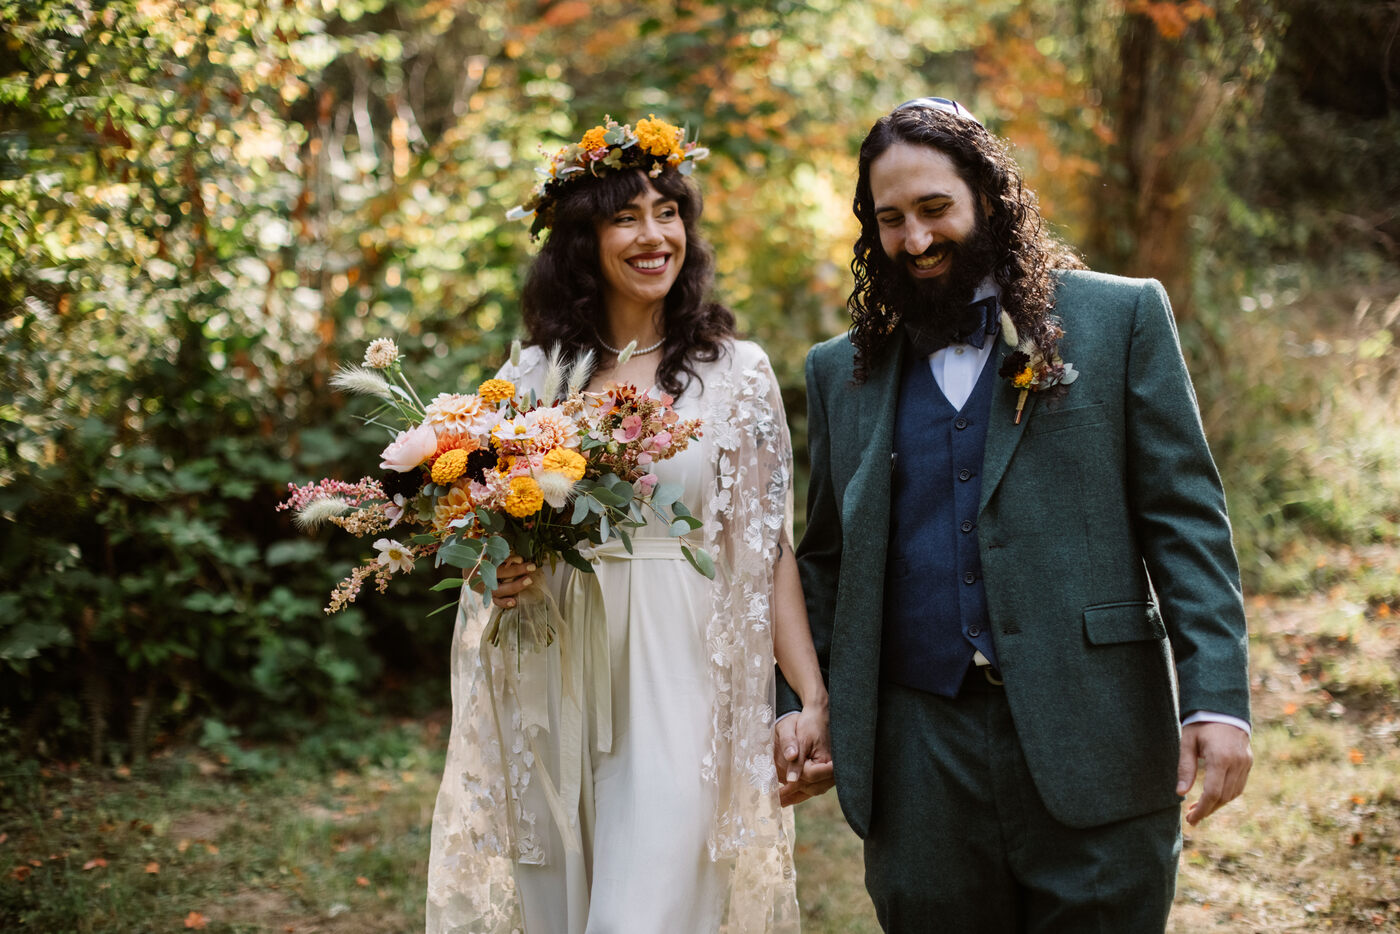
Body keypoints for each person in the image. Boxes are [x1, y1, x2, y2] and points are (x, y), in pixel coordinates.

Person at [774, 98, 1253, 932]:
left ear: (988, 200)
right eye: (890, 220)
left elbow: (1186, 521)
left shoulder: (1118, 319)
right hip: (917, 756)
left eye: (934, 210)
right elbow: (823, 560)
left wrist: (1215, 699)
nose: (915, 240)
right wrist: (796, 704)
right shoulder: (838, 373)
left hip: (1096, 729)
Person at [425, 115, 829, 934]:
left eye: (668, 211)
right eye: (625, 216)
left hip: (682, 664)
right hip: (556, 667)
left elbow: (764, 550)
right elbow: (477, 524)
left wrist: (809, 697)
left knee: (639, 915)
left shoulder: (735, 373)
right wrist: (496, 567)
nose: (655, 235)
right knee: (562, 906)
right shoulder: (533, 377)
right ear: (583, 240)